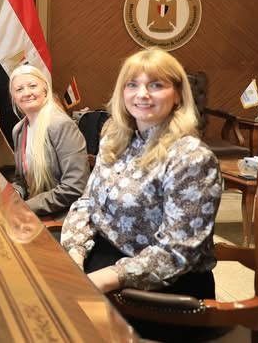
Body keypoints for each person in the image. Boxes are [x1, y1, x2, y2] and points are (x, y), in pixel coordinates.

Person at [61, 48, 221, 304]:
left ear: (178, 95)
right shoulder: (113, 140)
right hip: (101, 260)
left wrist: (97, 281)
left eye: (156, 85)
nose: (142, 94)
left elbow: (177, 252)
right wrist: (75, 256)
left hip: (162, 288)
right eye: (132, 84)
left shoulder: (191, 157)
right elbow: (87, 204)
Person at [9, 64, 89, 219]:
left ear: (45, 90)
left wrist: (26, 207)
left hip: (63, 217)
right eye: (19, 89)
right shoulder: (18, 130)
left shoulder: (61, 125)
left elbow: (74, 187)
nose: (27, 93)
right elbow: (21, 180)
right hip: (33, 211)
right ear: (14, 97)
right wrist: (14, 196)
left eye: (32, 86)